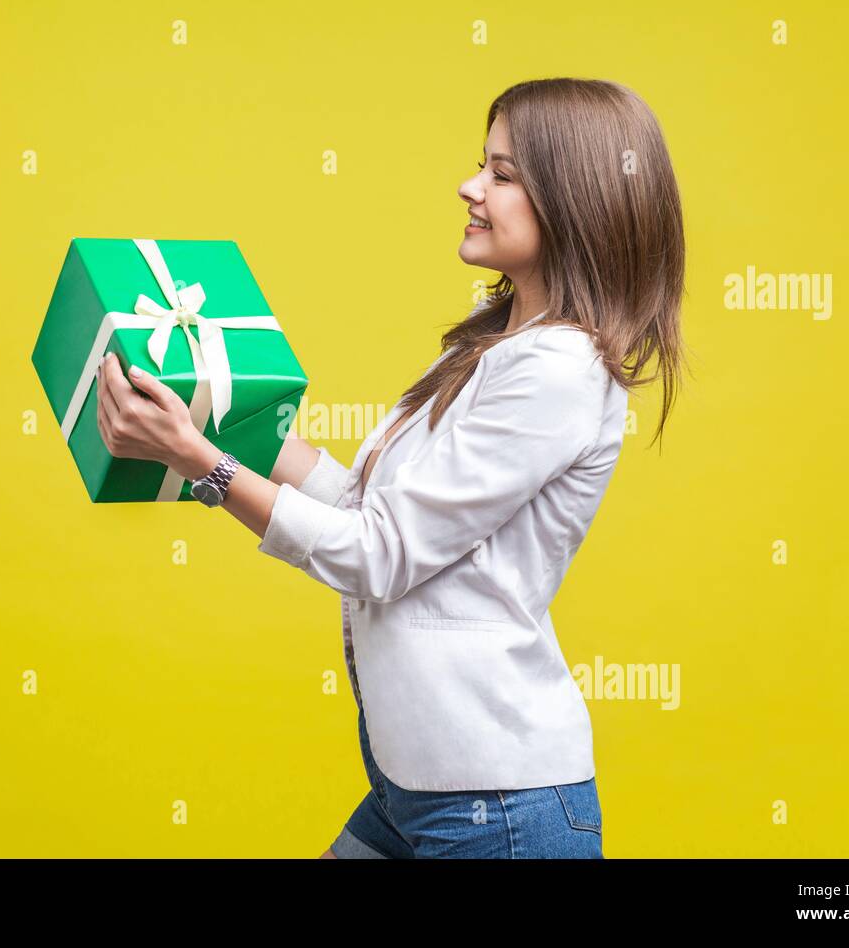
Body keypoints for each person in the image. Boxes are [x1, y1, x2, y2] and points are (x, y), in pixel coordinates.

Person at [92, 77, 686, 858]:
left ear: (576, 200)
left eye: (503, 175)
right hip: (419, 783)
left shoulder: (558, 371)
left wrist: (201, 463)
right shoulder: (496, 347)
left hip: (498, 806)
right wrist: (213, 412)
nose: (470, 187)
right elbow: (368, 509)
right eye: (483, 165)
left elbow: (378, 556)